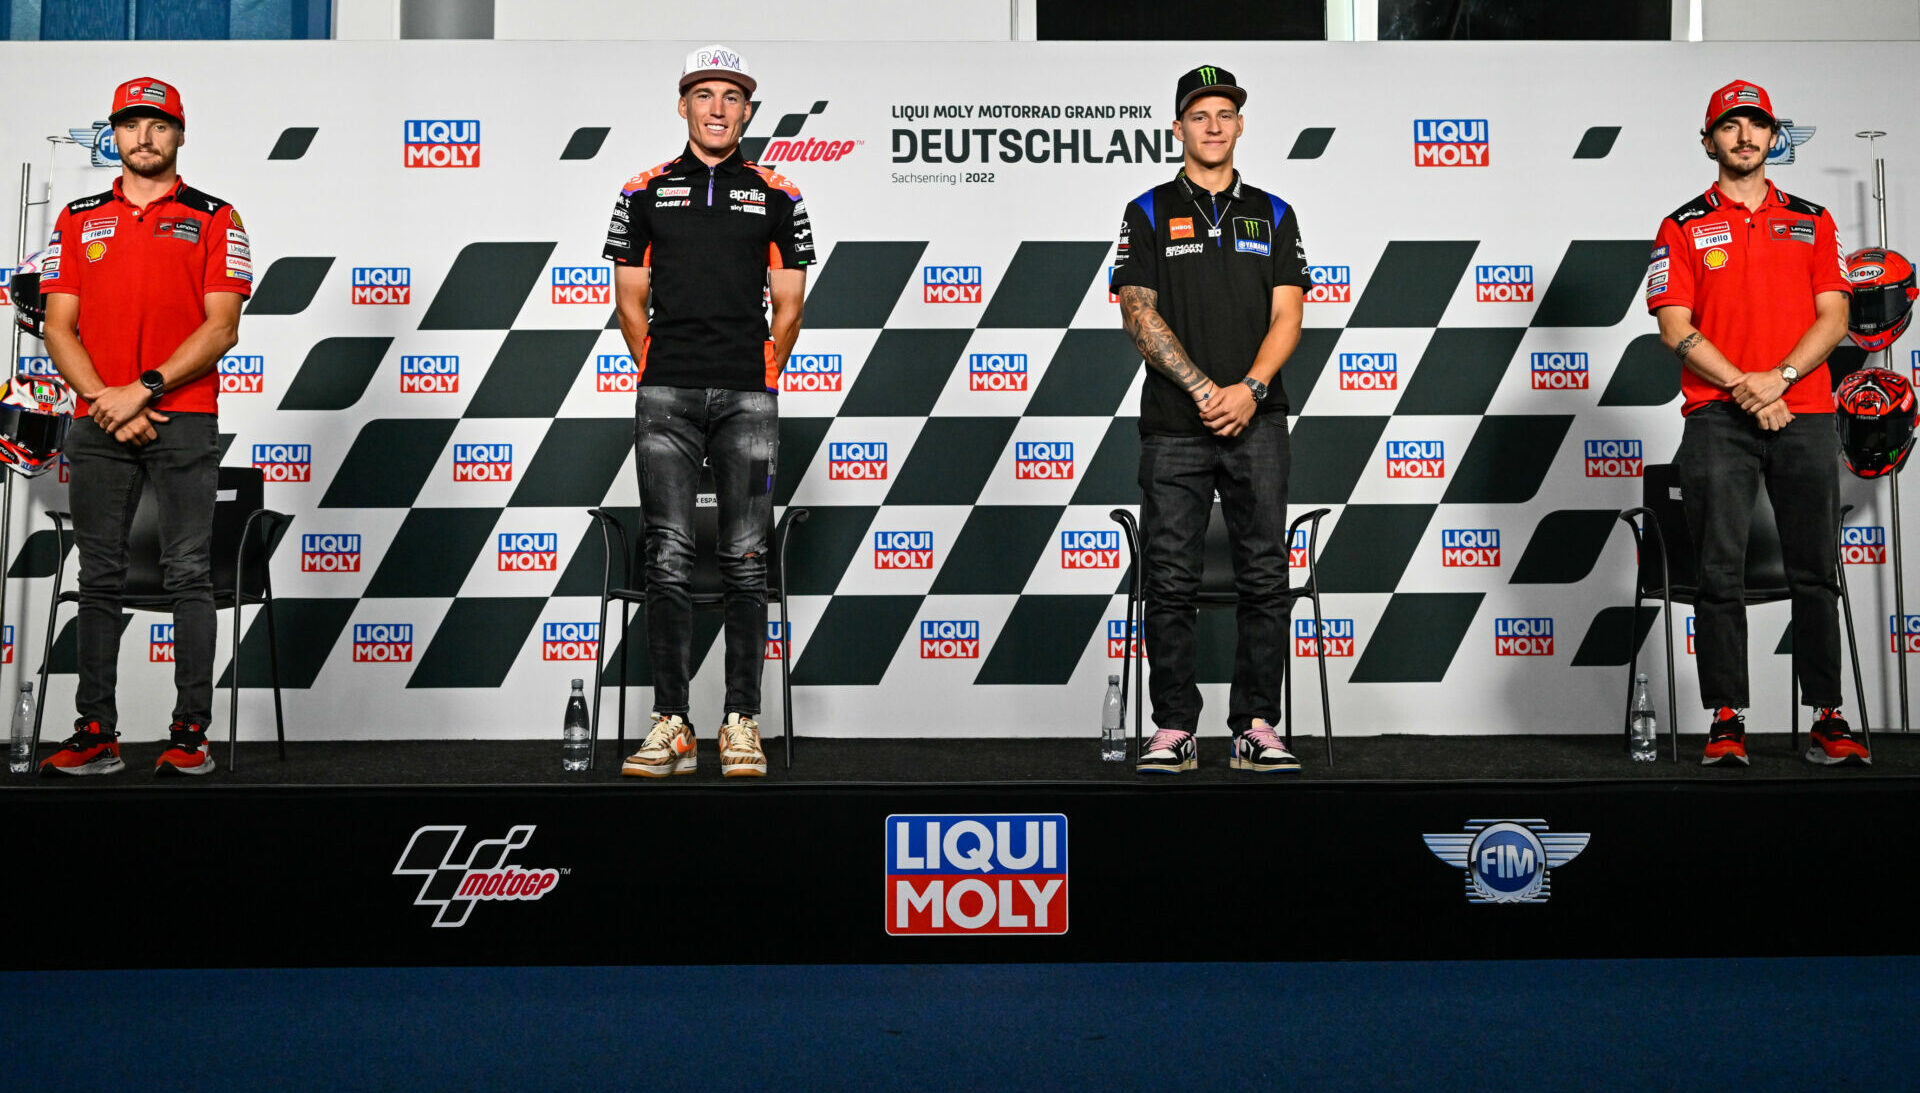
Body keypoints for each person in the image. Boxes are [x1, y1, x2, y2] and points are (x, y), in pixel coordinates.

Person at [603, 45, 813, 778]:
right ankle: (672, 723)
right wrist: (664, 370)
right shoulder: (643, 190)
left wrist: (758, 372)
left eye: (732, 96)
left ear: (748, 111)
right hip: (666, 397)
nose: (718, 107)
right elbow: (630, 303)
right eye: (704, 95)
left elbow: (789, 304)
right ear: (683, 106)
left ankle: (741, 724)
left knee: (747, 561)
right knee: (665, 555)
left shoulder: (779, 191)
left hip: (749, 402)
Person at [1647, 79, 1868, 766]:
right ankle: (1726, 721)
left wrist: (1783, 379)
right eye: (1729, 126)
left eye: (1757, 126)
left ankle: (1827, 717)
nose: (1744, 137)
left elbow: (1835, 316)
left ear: (1774, 139)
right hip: (1718, 418)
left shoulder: (1814, 218)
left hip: (1804, 411)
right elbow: (1672, 325)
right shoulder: (1681, 226)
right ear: (1708, 140)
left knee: (1814, 570)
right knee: (1720, 573)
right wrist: (1747, 385)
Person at [37, 77, 251, 776]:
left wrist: (143, 389)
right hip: (99, 419)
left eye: (159, 125)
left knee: (189, 573)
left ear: (180, 134)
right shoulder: (75, 218)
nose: (145, 137)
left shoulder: (218, 217)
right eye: (131, 125)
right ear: (115, 134)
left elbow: (222, 327)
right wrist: (106, 399)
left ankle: (190, 733)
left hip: (183, 417)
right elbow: (58, 327)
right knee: (97, 575)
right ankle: (95, 731)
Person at [1111, 65, 1310, 774]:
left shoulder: (1275, 211)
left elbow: (1289, 314)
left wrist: (1250, 388)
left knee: (1263, 574)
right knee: (1169, 577)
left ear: (1240, 125)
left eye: (1225, 113)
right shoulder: (1148, 209)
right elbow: (1138, 312)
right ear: (1178, 128)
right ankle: (1174, 727)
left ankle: (1256, 724)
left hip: (1258, 420)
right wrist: (1204, 389)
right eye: (1200, 115)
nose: (1215, 125)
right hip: (1174, 423)